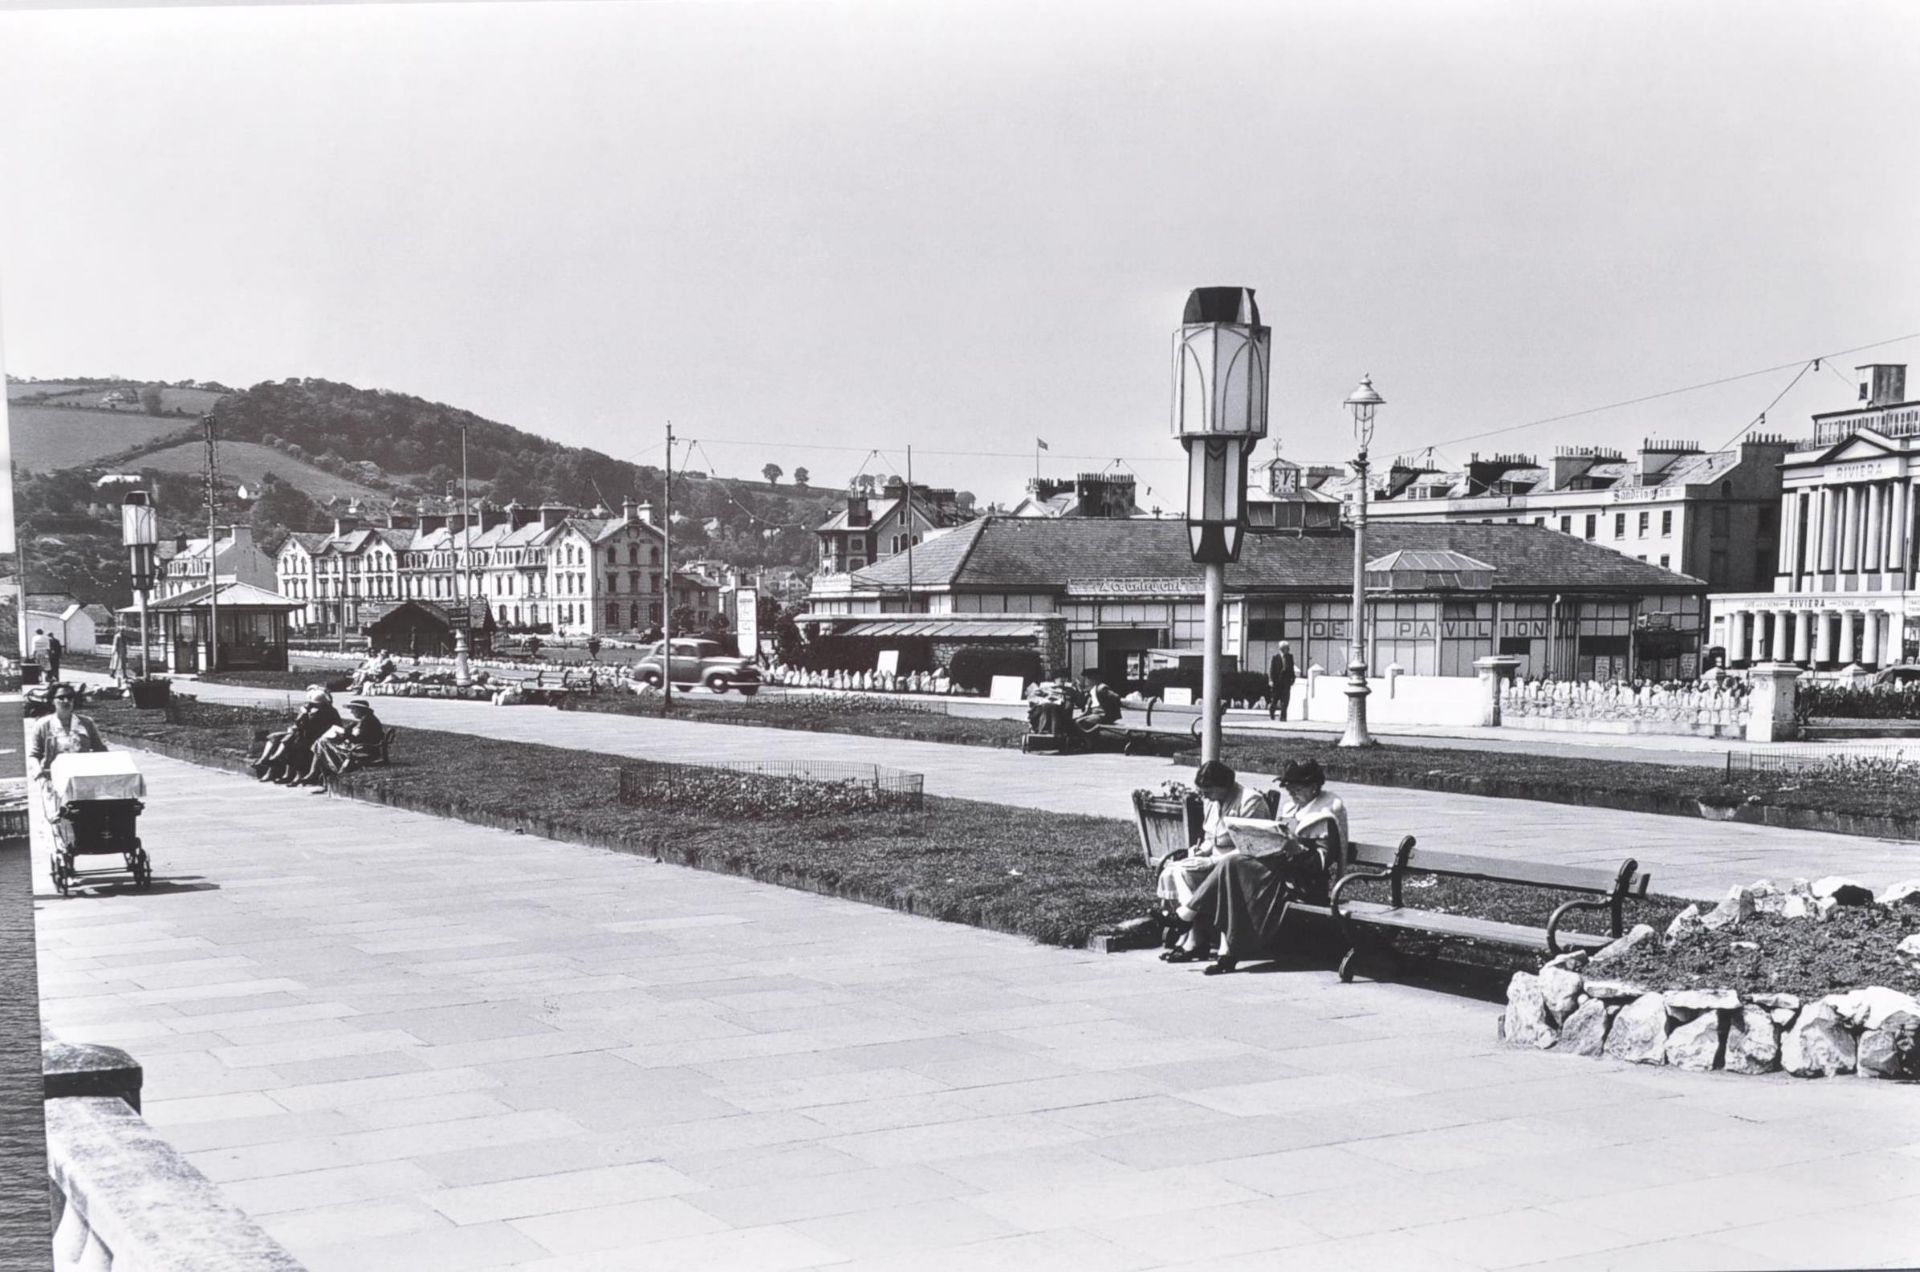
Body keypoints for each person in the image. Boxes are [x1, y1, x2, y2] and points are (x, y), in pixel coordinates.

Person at [1179, 758, 1350, 975]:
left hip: (1303, 882)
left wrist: (1295, 849)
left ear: (1314, 788)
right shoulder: (1292, 809)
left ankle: (1189, 920)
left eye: (1297, 789)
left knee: (1233, 866)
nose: (1293, 795)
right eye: (1289, 790)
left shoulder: (1326, 815)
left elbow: (1321, 864)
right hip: (1278, 871)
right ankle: (1225, 950)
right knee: (1232, 865)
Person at [1157, 760, 1271, 963]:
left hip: (1240, 864)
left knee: (1187, 873)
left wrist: (1213, 861)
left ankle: (1191, 934)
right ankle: (1192, 933)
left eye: (1208, 791)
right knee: (1175, 870)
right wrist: (1200, 852)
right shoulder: (1211, 802)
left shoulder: (1250, 802)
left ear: (1224, 786)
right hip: (1216, 859)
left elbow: (1251, 847)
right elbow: (1211, 838)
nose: (1204, 796)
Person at [30, 685, 106, 834]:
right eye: (60, 697)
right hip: (54, 779)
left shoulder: (86, 723)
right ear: (52, 701)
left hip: (83, 779)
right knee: (58, 819)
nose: (66, 701)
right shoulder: (42, 725)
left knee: (86, 816)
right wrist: (38, 770)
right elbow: (34, 754)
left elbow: (100, 748)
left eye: (69, 697)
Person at [251, 688, 342, 784]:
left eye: (314, 704)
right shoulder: (315, 711)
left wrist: (306, 714)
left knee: (294, 744)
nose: (312, 705)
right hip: (306, 736)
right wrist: (304, 714)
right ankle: (274, 766)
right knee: (283, 738)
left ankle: (286, 770)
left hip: (317, 738)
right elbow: (299, 724)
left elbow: (309, 728)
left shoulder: (327, 712)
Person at [298, 698, 384, 788]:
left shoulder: (367, 722)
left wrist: (345, 734)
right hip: (360, 747)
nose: (351, 712)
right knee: (321, 743)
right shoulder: (366, 719)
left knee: (321, 744)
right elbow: (358, 737)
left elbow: (357, 739)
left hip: (362, 749)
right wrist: (347, 731)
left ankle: (316, 775)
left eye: (353, 709)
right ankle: (317, 776)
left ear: (360, 710)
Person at [1267, 642, 1296, 721]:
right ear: (1282, 649)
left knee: (1285, 700)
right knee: (1275, 700)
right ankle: (1272, 710)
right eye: (1287, 648)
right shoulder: (1275, 658)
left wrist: (1293, 678)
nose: (1288, 650)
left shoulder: (1290, 657)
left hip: (1286, 682)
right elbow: (1272, 670)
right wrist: (1271, 680)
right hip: (1277, 682)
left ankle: (1283, 717)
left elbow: (1291, 669)